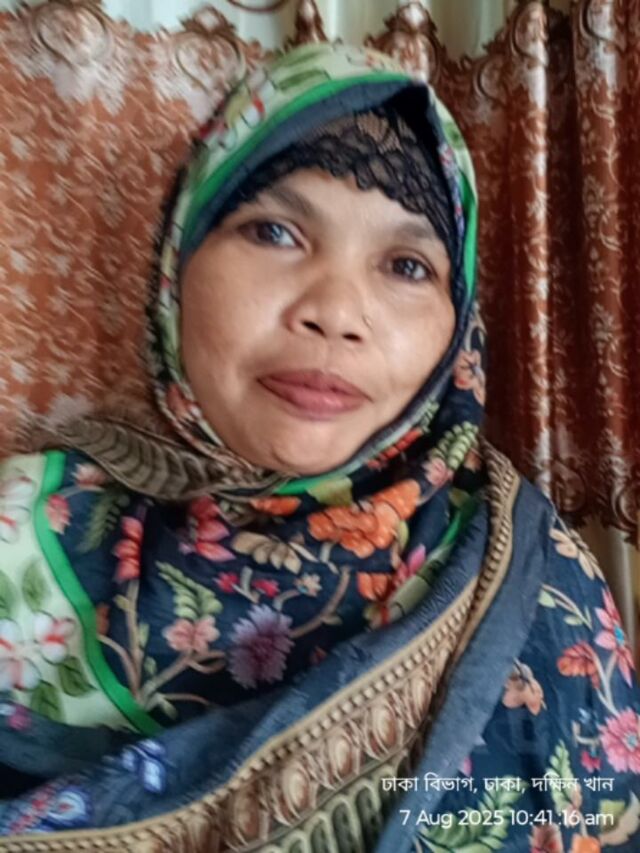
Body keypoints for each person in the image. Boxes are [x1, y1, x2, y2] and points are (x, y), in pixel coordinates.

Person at [0, 41, 637, 852]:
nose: (335, 311)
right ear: (176, 265)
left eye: (406, 264)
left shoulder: (532, 585)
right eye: (274, 231)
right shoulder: (27, 537)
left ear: (458, 324)